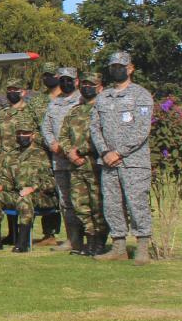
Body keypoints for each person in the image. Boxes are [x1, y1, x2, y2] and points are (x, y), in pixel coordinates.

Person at [90, 51, 155, 265]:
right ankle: (118, 246)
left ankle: (142, 247)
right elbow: (95, 128)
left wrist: (120, 152)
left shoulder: (141, 95)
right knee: (112, 205)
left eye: (121, 66)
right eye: (113, 66)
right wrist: (105, 152)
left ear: (130, 68)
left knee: (137, 203)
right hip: (108, 162)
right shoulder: (103, 96)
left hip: (134, 162)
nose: (116, 69)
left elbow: (142, 129)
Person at [58, 71, 108, 256]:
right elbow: (63, 135)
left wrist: (82, 150)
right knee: (80, 205)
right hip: (75, 166)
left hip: (94, 165)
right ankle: (89, 241)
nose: (87, 88)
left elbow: (103, 137)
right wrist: (70, 152)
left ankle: (100, 242)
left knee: (97, 205)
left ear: (100, 88)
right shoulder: (74, 112)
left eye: (91, 85)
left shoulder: (103, 111)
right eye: (84, 84)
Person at [0, 118, 53, 253]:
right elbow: (7, 178)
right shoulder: (12, 155)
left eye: (25, 133)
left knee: (24, 200)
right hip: (17, 193)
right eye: (19, 133)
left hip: (41, 195)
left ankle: (22, 242)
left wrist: (33, 188)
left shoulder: (41, 154)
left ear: (33, 135)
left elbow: (51, 181)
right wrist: (0, 187)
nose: (22, 136)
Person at [42, 66, 83, 252]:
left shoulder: (83, 100)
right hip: (59, 159)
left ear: (76, 81)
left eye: (69, 79)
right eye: (62, 79)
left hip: (79, 159)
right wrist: (53, 144)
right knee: (65, 201)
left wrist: (71, 149)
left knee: (81, 200)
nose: (65, 83)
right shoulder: (54, 102)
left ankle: (89, 238)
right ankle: (71, 238)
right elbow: (46, 127)